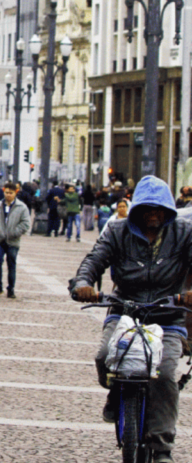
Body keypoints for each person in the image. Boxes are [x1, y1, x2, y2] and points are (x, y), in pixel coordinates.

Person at [71, 176, 192, 463]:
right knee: (104, 356)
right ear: (137, 208)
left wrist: (189, 295)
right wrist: (83, 284)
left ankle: (162, 448)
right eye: (147, 208)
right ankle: (115, 392)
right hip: (125, 310)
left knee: (163, 375)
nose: (154, 213)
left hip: (167, 315)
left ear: (168, 210)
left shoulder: (185, 232)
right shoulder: (116, 230)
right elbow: (94, 260)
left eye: (160, 208)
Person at [0, 182, 31, 298]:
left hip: (13, 241)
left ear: (15, 193)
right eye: (6, 193)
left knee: (11, 265)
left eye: (11, 193)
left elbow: (26, 223)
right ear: (3, 192)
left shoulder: (21, 207)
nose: (8, 195)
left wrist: (14, 233)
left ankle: (11, 289)